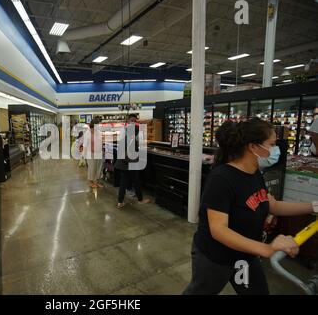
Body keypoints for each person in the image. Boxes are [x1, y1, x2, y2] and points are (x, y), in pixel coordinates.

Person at [183, 118, 318, 295]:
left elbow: (273, 205)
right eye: (271, 144)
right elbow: (219, 230)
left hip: (245, 256)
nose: (275, 149)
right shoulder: (221, 179)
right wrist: (267, 249)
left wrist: (313, 207)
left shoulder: (255, 173)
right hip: (216, 258)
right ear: (253, 147)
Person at [115, 114, 150, 208]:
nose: (134, 122)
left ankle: (120, 202)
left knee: (123, 182)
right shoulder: (135, 131)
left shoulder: (123, 131)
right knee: (136, 180)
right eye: (132, 120)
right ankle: (140, 199)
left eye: (134, 120)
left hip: (122, 161)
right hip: (131, 161)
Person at [85, 118, 104, 188]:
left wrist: (102, 150)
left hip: (98, 152)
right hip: (91, 153)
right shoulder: (88, 133)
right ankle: (90, 182)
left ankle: (96, 182)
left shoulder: (98, 132)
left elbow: (101, 141)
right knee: (92, 168)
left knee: (98, 167)